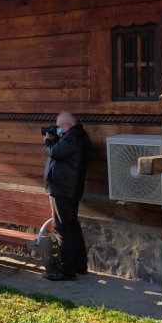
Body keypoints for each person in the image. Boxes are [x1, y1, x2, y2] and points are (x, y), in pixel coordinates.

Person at [43, 111, 91, 281]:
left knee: (62, 228)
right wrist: (56, 139)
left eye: (59, 126)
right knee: (71, 226)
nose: (57, 129)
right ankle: (79, 265)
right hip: (66, 188)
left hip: (63, 189)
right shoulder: (74, 136)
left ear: (67, 125)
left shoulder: (74, 137)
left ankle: (67, 270)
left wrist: (48, 141)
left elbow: (55, 152)